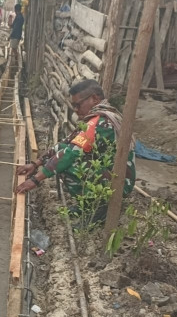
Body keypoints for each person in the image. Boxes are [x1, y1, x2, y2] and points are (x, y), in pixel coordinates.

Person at [15, 79, 136, 223]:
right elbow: (65, 144)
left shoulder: (102, 123)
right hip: (108, 174)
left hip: (118, 183)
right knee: (63, 153)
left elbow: (70, 153)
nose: (76, 110)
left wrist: (35, 180)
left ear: (95, 98)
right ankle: (88, 204)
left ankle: (98, 210)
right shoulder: (95, 119)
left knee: (68, 165)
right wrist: (35, 164)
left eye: (78, 105)